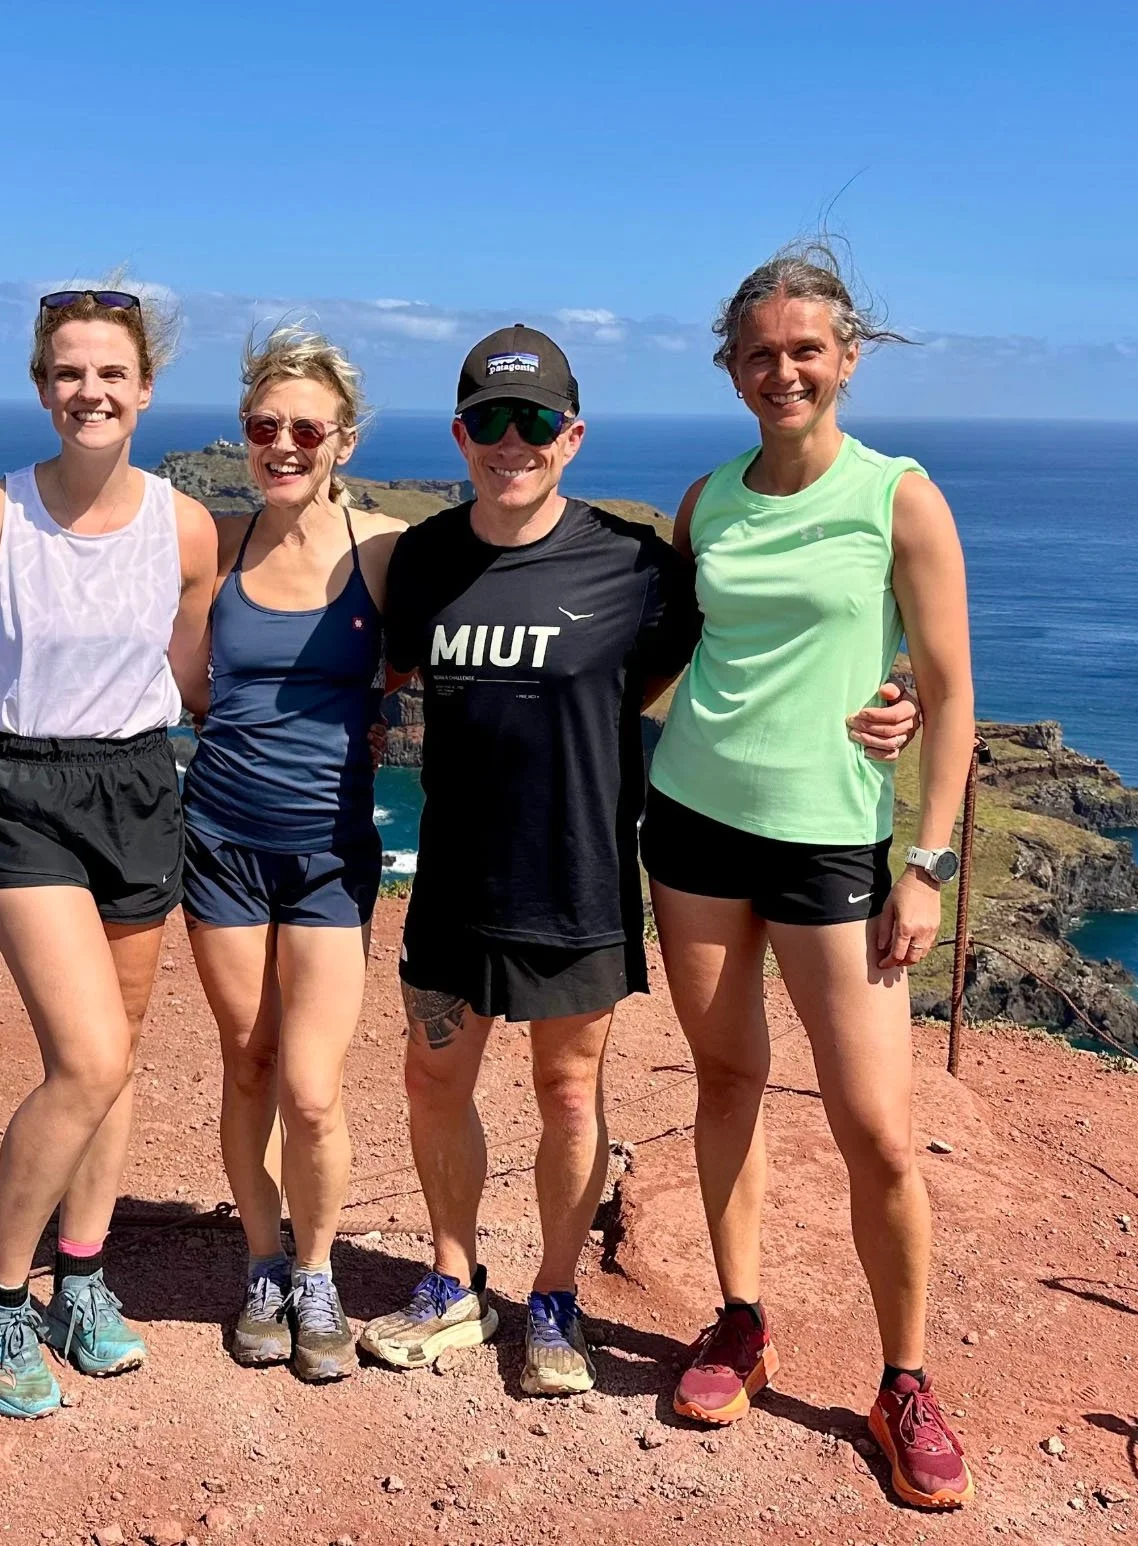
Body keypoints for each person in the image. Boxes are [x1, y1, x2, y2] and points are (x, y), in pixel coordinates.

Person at [357, 326, 920, 1397]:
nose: (509, 442)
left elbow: (759, 642)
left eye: (533, 423)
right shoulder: (423, 558)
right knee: (433, 1075)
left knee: (569, 1094)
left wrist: (908, 692)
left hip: (577, 877)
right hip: (453, 880)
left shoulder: (633, 563)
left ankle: (556, 1296)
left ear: (570, 437)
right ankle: (449, 1280)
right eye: (487, 421)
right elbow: (343, 642)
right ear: (458, 435)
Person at [643, 243, 976, 1508]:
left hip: (834, 840)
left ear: (845, 358)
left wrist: (928, 863)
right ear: (732, 372)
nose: (782, 369)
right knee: (726, 1077)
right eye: (759, 352)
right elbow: (673, 663)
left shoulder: (899, 498)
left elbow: (948, 695)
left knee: (878, 1131)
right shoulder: (705, 501)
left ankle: (904, 1380)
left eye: (804, 349)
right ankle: (739, 1317)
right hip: (691, 824)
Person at [0, 285, 217, 1418]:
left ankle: (80, 1278)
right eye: (66, 373)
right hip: (20, 792)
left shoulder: (184, 526)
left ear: (144, 388)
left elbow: (192, 681)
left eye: (109, 373)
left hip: (138, 785)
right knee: (87, 1058)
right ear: (41, 385)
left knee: (122, 1060)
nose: (87, 392)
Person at [177, 326, 404, 1382]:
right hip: (219, 843)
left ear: (342, 440)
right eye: (264, 425)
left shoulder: (387, 549)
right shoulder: (213, 543)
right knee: (249, 1062)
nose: (283, 443)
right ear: (243, 433)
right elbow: (179, 683)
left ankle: (316, 1270)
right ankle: (261, 1264)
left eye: (305, 428)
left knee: (312, 1088)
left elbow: (470, 636)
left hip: (329, 853)